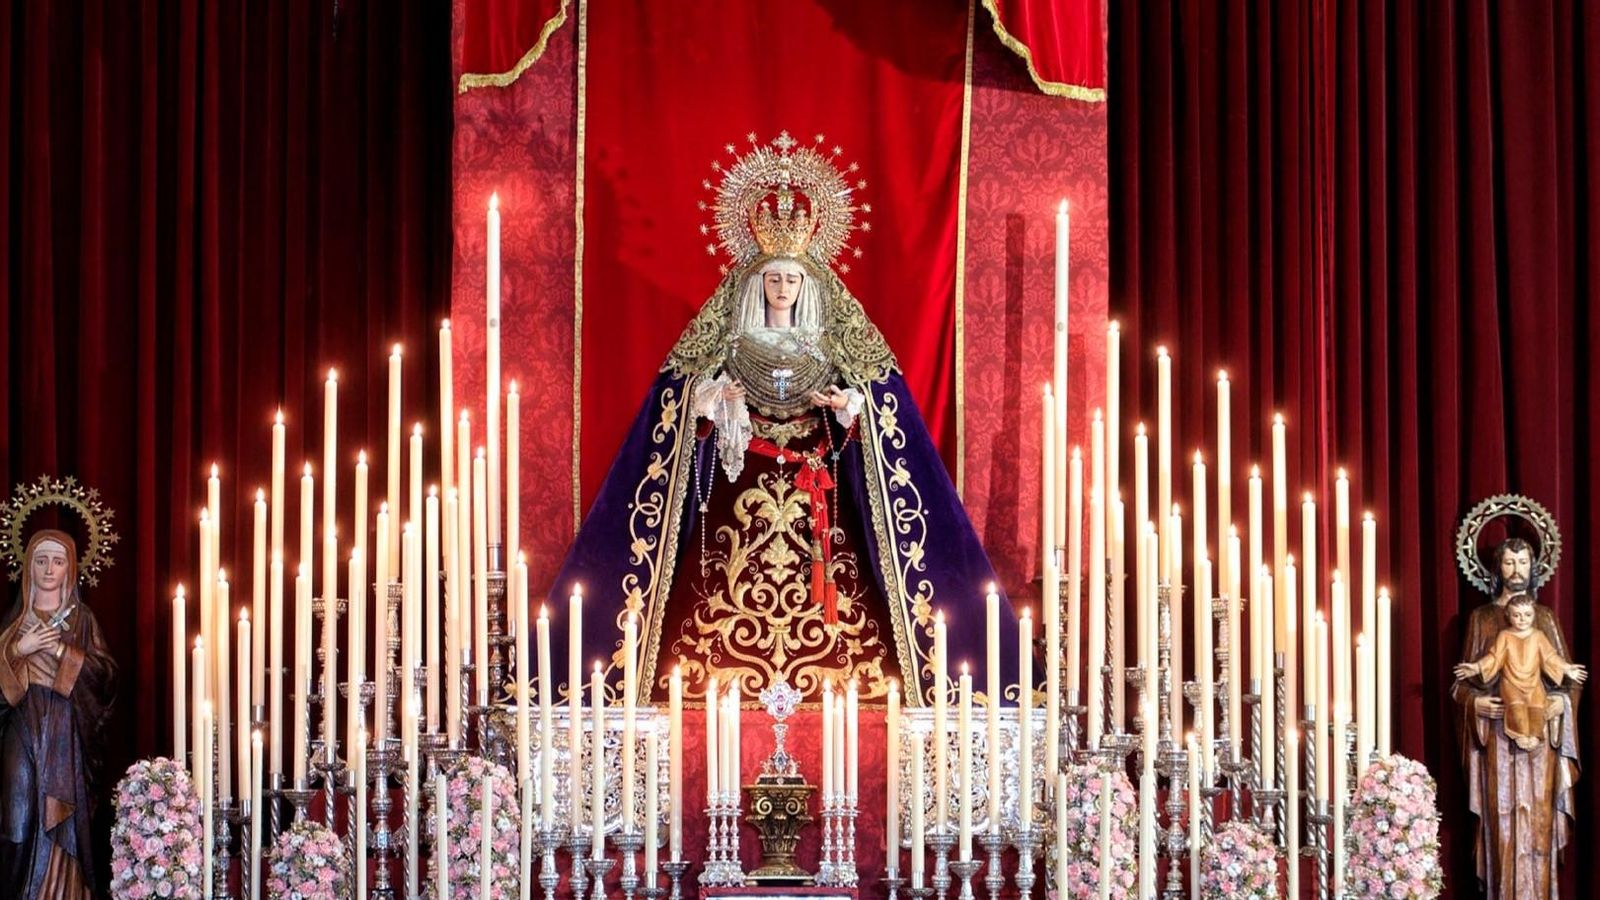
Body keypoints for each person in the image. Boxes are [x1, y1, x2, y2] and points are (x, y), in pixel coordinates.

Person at [547, 134, 1018, 704]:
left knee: (843, 595)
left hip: (814, 485)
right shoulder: (729, 337)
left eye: (793, 279)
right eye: (773, 277)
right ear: (756, 281)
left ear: (808, 284)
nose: (782, 287)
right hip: (738, 484)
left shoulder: (830, 340)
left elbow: (874, 403)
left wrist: (847, 406)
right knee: (710, 600)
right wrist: (714, 398)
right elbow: (679, 404)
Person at [1451, 537, 1579, 899]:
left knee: (1538, 828)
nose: (1516, 570)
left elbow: (1566, 679)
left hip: (1540, 743)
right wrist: (1475, 705)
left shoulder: (1545, 620)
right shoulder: (1482, 618)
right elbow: (1461, 685)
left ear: (1534, 567)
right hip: (1495, 741)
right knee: (1503, 829)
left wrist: (1562, 705)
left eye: (1523, 562)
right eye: (1509, 563)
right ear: (1497, 568)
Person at [0, 529, 116, 899]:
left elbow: (106, 677)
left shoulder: (82, 621)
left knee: (64, 821)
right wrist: (20, 649)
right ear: (28, 567)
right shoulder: (13, 626)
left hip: (66, 735)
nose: (49, 569)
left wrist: (65, 654)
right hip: (23, 730)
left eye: (58, 561)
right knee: (17, 824)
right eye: (41, 560)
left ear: (70, 569)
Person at [1453, 593, 1587, 751]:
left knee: (1537, 705)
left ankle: (1535, 734)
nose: (1522, 619)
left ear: (1534, 615)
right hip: (1511, 682)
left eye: (1527, 615)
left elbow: (1550, 657)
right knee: (1516, 706)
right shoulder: (1502, 634)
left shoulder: (1539, 635)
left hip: (1533, 683)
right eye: (1517, 615)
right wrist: (1476, 668)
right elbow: (1494, 657)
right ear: (1508, 616)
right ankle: (1519, 734)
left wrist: (1567, 669)